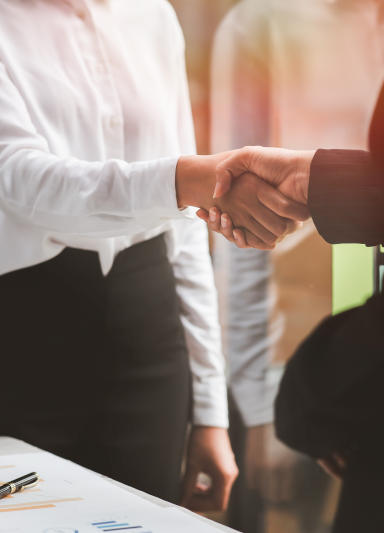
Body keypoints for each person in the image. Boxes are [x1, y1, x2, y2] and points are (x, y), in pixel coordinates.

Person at [0, 0, 307, 511]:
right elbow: (18, 179)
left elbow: (184, 230)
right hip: (2, 337)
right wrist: (188, 181)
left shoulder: (151, 13)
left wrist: (209, 412)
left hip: (147, 338)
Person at [208, 1, 384, 530]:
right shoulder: (262, 24)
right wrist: (262, 403)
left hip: (359, 363)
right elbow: (237, 226)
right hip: (305, 361)